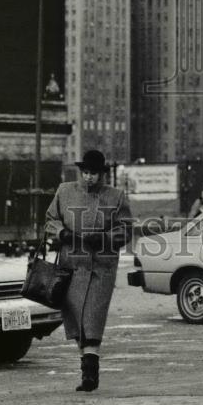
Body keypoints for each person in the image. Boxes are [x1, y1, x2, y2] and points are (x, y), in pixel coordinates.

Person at [44, 150, 133, 392]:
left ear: (102, 174)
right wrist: (62, 232)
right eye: (85, 172)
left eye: (93, 173)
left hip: (100, 268)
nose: (89, 177)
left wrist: (103, 238)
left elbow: (126, 229)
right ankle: (87, 365)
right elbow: (50, 218)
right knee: (76, 321)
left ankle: (90, 375)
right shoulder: (65, 191)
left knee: (92, 318)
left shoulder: (115, 196)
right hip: (70, 267)